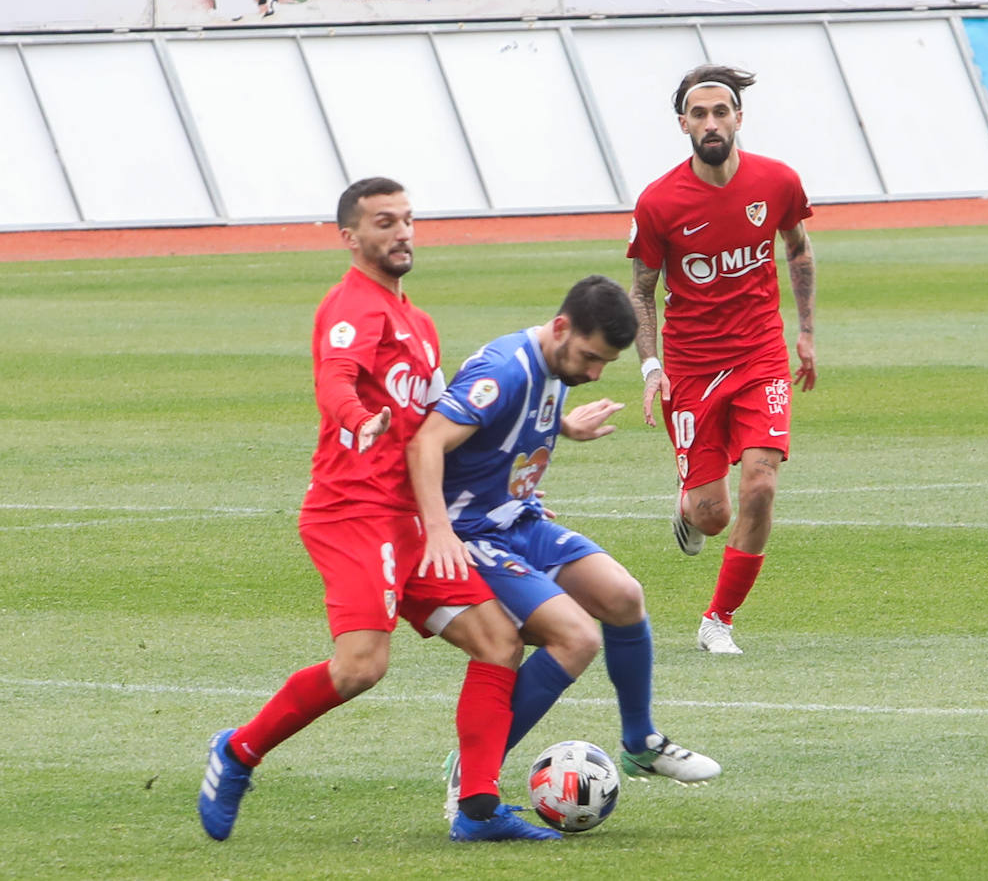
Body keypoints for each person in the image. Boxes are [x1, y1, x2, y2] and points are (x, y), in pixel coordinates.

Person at [197, 177, 560, 844]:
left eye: (408, 220)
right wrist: (359, 419)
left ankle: (477, 809)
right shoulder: (351, 308)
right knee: (362, 666)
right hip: (352, 514)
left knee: (498, 643)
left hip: (409, 519)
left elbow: (443, 422)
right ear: (351, 237)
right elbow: (334, 378)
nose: (401, 233)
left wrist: (555, 431)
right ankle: (237, 753)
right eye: (384, 222)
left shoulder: (418, 324)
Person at [407, 275, 720, 820]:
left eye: (604, 364)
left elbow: (509, 428)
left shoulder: (555, 363)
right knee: (576, 638)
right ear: (560, 327)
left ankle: (640, 744)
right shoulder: (503, 371)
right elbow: (427, 441)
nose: (594, 372)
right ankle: (475, 767)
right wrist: (437, 529)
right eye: (590, 357)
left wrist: (563, 428)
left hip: (519, 518)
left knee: (624, 596)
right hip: (472, 533)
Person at [627, 65, 818, 655]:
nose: (712, 122)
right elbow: (641, 289)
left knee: (760, 484)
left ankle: (719, 619)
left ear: (739, 117)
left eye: (722, 111)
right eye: (700, 113)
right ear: (683, 123)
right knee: (713, 515)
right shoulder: (659, 202)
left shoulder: (777, 181)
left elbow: (799, 250)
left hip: (761, 353)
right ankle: (688, 504)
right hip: (691, 366)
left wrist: (805, 332)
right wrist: (650, 367)